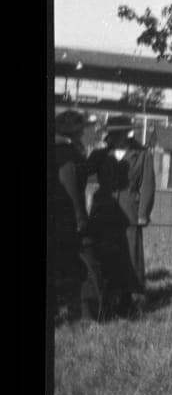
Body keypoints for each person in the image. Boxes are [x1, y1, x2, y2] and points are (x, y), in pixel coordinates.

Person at [86, 115, 156, 316]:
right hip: (103, 211)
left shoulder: (143, 155)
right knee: (104, 256)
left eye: (118, 132)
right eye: (112, 132)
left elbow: (148, 185)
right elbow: (83, 172)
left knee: (129, 258)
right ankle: (103, 302)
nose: (114, 136)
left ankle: (127, 303)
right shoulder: (100, 154)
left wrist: (143, 213)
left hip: (130, 211)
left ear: (127, 132)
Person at [52, 110, 97, 322]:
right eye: (83, 128)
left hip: (60, 219)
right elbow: (71, 190)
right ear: (75, 130)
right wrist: (80, 220)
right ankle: (82, 314)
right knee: (81, 266)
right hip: (68, 220)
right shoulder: (66, 152)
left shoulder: (64, 149)